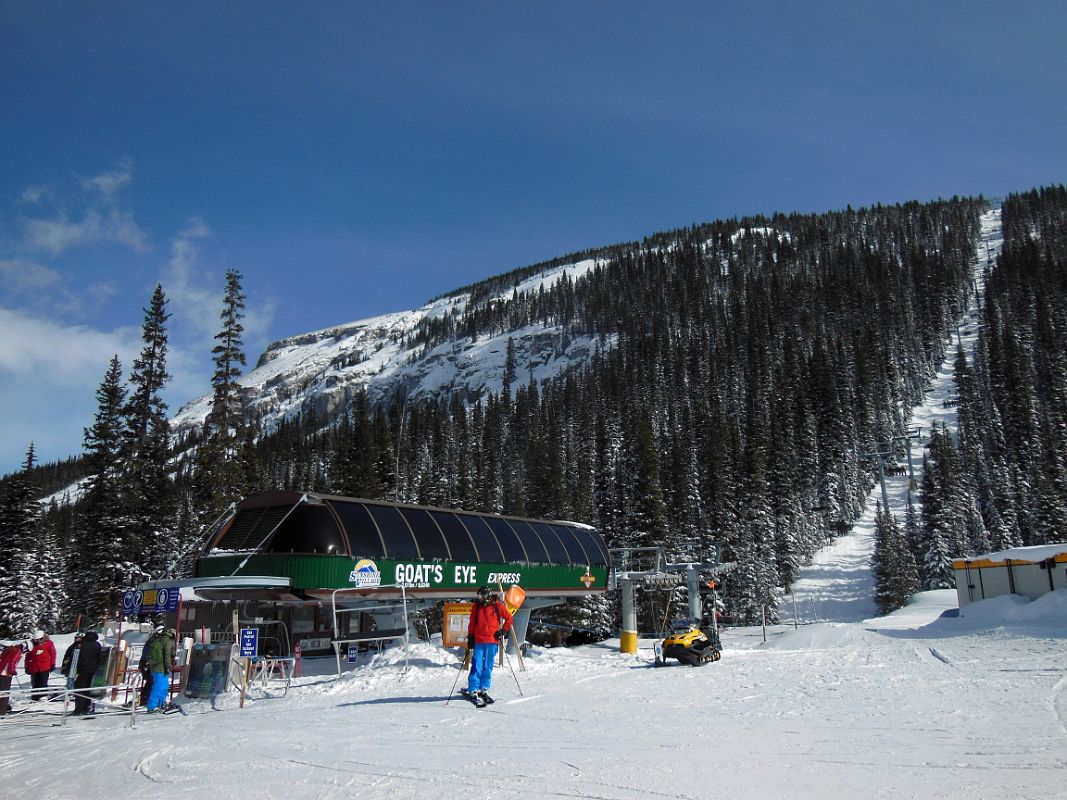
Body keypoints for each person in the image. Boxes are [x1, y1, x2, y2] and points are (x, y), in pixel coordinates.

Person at [464, 585, 513, 706]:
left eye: (481, 596)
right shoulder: (477, 607)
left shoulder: (497, 605)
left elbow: (509, 618)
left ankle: (483, 688)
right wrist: (470, 637)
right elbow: (472, 623)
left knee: (488, 666)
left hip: (492, 641)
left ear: (487, 596)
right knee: (477, 665)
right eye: (479, 596)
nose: (479, 598)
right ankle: (473, 689)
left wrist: (503, 631)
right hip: (479, 640)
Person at [143, 627, 175, 713]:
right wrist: (171, 667)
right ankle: (151, 707)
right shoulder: (167, 641)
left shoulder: (158, 640)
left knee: (164, 686)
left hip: (156, 668)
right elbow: (167, 656)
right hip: (160, 668)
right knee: (158, 687)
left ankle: (161, 704)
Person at [72, 631, 102, 716]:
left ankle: (79, 708)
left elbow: (78, 657)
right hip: (92, 669)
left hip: (82, 669)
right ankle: (87, 706)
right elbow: (99, 657)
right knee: (87, 687)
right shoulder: (97, 645)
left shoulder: (82, 644)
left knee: (79, 688)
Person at [24, 630, 56, 700]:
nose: (38, 641)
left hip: (44, 667)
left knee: (43, 682)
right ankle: (35, 696)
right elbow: (27, 657)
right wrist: (27, 667)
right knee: (35, 683)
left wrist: (53, 664)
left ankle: (43, 696)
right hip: (34, 667)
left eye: (40, 639)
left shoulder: (49, 643)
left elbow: (53, 654)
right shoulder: (31, 644)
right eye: (36, 640)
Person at [137, 625, 163, 707]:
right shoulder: (154, 642)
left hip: (150, 665)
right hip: (151, 665)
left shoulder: (154, 641)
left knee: (151, 682)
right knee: (153, 683)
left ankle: (146, 699)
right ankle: (147, 700)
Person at [0, 640, 24, 714]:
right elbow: (11, 662)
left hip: (4, 673)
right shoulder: (14, 652)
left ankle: (3, 709)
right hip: (5, 674)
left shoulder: (7, 652)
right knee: (4, 693)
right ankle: (2, 712)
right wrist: (12, 671)